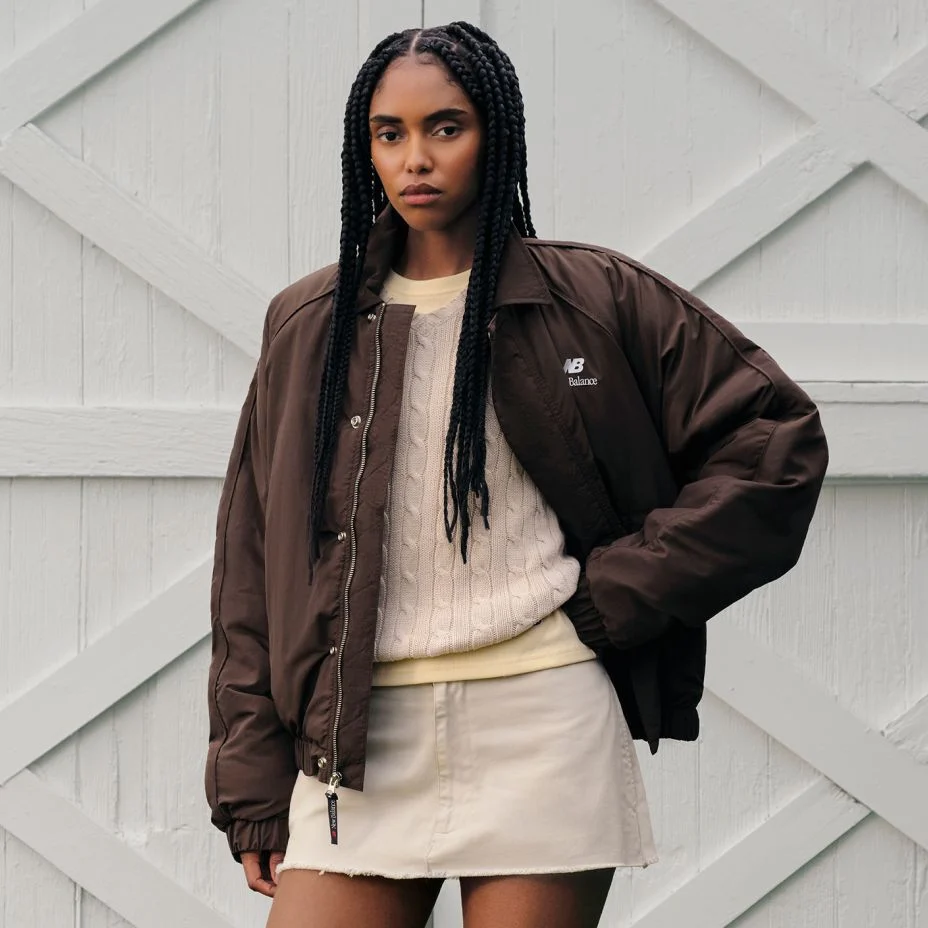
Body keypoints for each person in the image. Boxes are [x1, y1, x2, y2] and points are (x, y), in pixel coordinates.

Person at [204, 21, 828, 928]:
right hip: (358, 738)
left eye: (445, 127)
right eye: (389, 133)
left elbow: (776, 442)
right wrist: (253, 783)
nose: (416, 158)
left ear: (495, 134)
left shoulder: (591, 298)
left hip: (544, 719)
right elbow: (252, 567)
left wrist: (616, 595)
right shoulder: (310, 324)